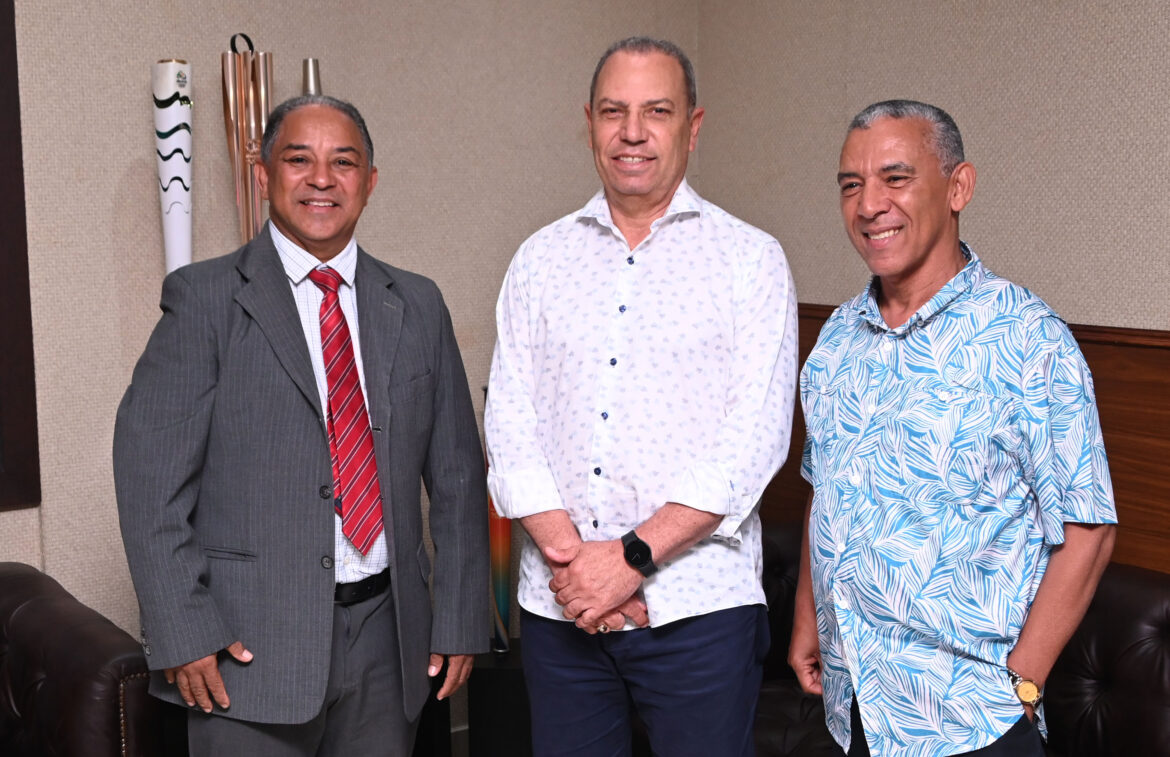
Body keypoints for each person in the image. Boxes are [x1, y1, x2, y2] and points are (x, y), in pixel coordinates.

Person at [114, 94, 488, 756]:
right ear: (263, 175)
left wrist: (459, 617)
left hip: (388, 641)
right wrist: (184, 628)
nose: (322, 179)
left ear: (369, 181)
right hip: (245, 652)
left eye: (343, 162)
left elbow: (458, 476)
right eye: (299, 160)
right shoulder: (205, 299)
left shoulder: (418, 303)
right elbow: (151, 482)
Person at [485, 37, 798, 756]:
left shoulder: (750, 260)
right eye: (613, 112)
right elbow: (510, 424)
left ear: (693, 126)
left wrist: (626, 561)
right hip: (561, 611)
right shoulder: (539, 259)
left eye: (657, 111)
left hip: (700, 613)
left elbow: (751, 444)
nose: (632, 132)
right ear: (588, 123)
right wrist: (578, 567)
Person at [789, 99, 1117, 757]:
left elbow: (1089, 527)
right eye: (851, 185)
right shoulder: (835, 339)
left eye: (895, 178)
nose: (869, 205)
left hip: (972, 723)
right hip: (859, 710)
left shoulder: (1027, 338)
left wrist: (1024, 683)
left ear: (958, 187)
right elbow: (826, 492)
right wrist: (807, 619)